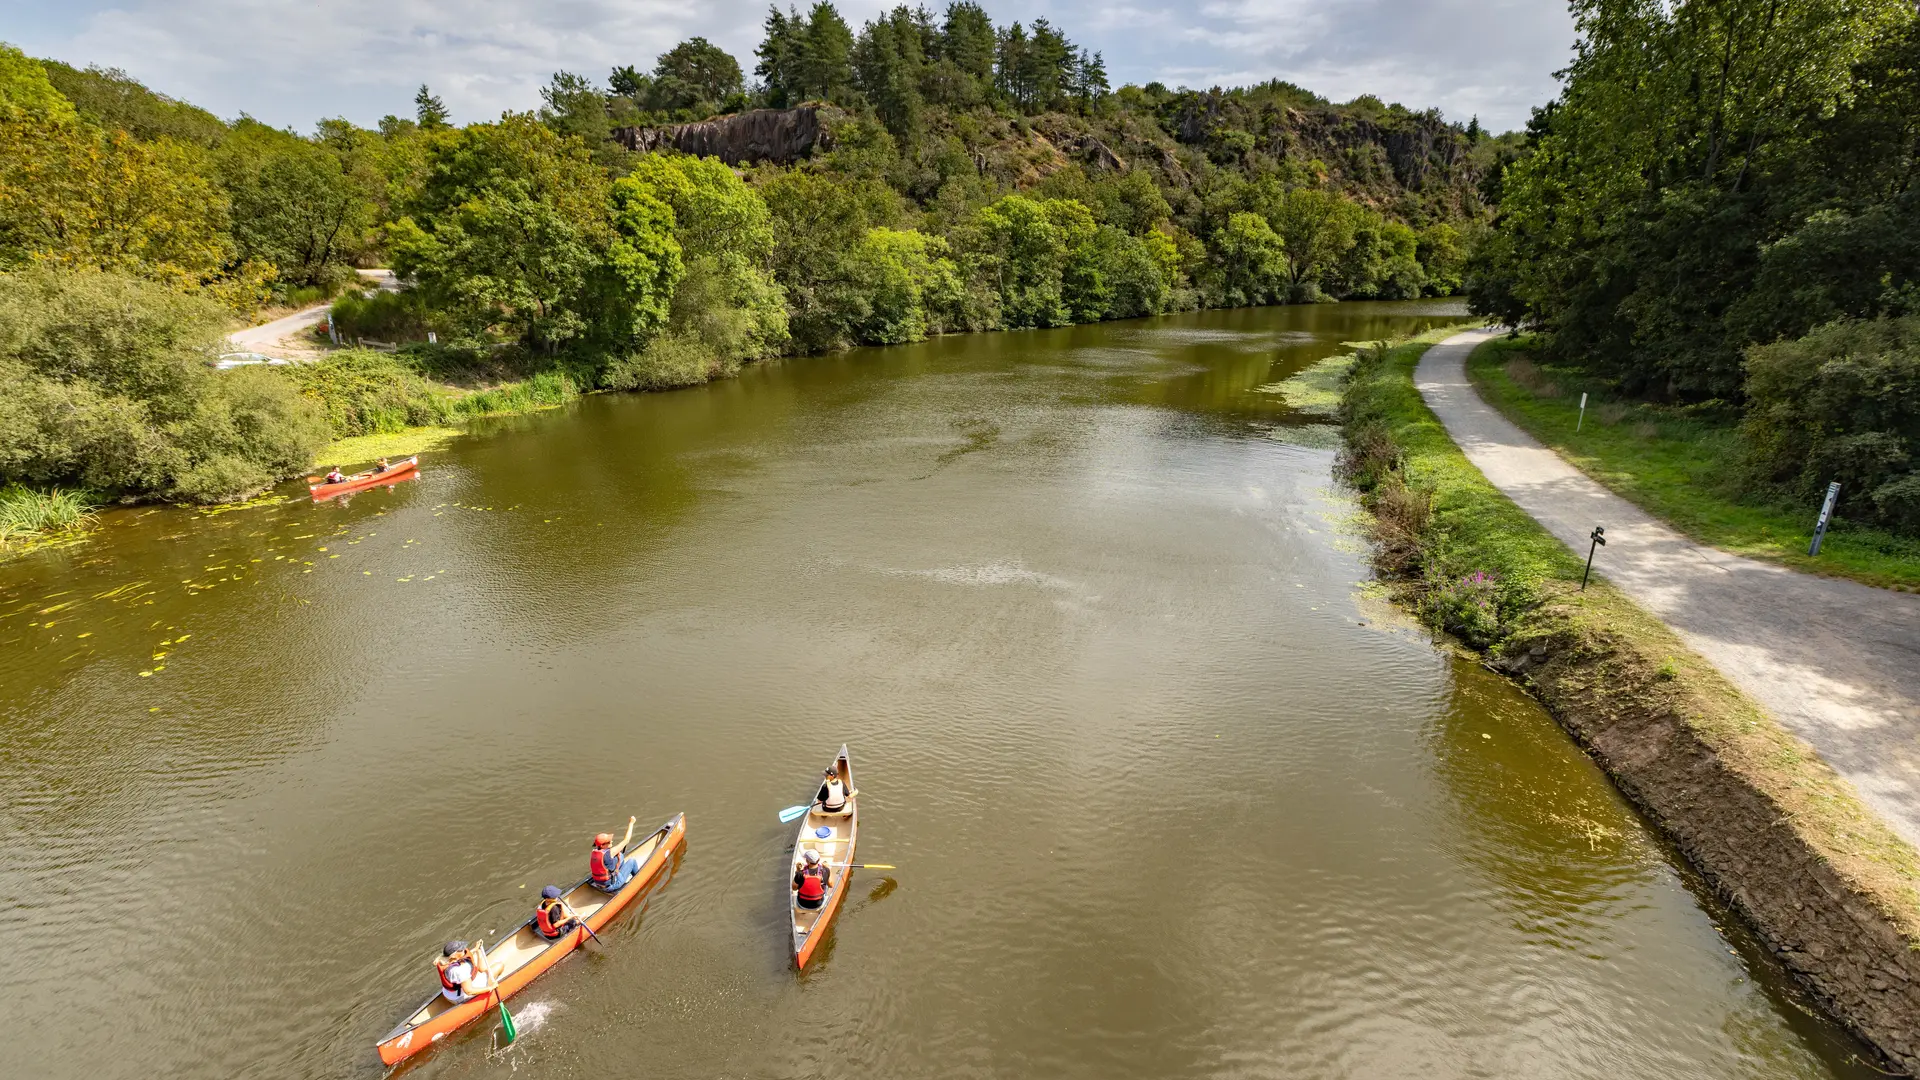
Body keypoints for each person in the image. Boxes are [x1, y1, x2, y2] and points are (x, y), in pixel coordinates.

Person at [433, 940, 502, 1003]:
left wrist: (476, 949)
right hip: (460, 998)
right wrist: (491, 987)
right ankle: (489, 988)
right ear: (453, 955)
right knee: (499, 966)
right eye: (461, 950)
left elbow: (463, 956)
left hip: (448, 995)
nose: (464, 949)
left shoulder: (442, 960)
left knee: (471, 962)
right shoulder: (460, 970)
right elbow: (469, 991)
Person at [588, 816, 643, 891]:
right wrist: (631, 823)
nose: (611, 841)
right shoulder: (610, 853)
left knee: (621, 856)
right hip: (612, 885)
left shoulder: (594, 852)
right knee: (632, 861)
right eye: (609, 841)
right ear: (602, 845)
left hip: (598, 883)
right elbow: (626, 840)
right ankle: (639, 879)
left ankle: (620, 873)